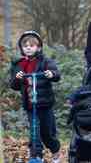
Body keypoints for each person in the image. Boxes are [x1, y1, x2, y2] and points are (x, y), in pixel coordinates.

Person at [9, 31, 61, 163]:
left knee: (47, 133)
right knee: (34, 132)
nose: (28, 48)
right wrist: (17, 78)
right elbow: (14, 85)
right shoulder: (18, 64)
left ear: (38, 47)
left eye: (31, 45)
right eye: (25, 45)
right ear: (22, 48)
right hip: (30, 104)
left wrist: (51, 74)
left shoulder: (45, 61)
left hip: (45, 104)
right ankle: (36, 156)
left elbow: (56, 74)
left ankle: (55, 149)